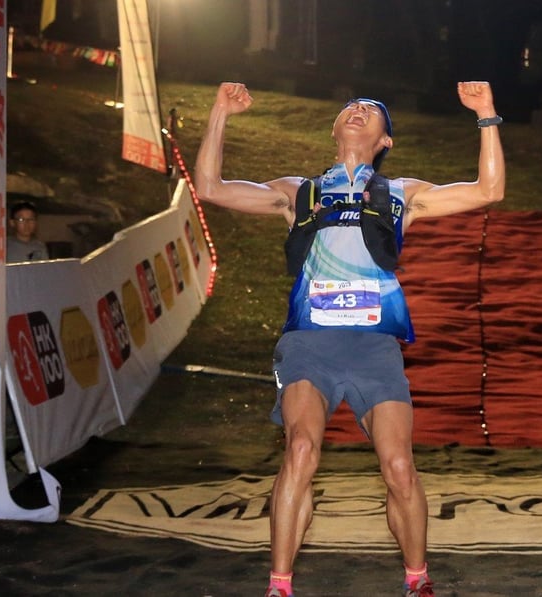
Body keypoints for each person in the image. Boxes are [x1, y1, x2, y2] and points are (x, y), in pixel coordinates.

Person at [194, 81, 505, 597]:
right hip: (310, 343)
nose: (358, 110)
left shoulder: (402, 193)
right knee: (300, 449)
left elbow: (488, 190)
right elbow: (211, 187)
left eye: (372, 110)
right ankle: (279, 586)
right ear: (335, 129)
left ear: (386, 141)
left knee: (400, 466)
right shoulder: (298, 191)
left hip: (374, 348)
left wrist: (487, 115)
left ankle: (417, 579)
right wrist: (219, 112)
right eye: (349, 108)